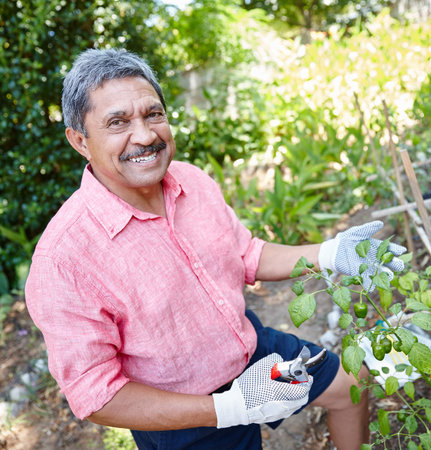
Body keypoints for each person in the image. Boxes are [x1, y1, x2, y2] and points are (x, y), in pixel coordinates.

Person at [25, 48, 406, 450]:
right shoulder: (64, 260)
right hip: (182, 415)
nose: (144, 135)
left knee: (351, 386)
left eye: (153, 114)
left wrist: (330, 254)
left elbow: (245, 254)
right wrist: (231, 408)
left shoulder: (190, 180)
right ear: (80, 141)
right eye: (117, 122)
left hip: (251, 351)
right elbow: (96, 394)